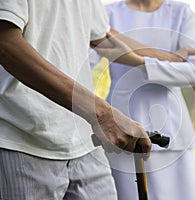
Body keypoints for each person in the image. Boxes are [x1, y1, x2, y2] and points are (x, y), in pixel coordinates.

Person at [0, 0, 152, 199]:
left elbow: (104, 40)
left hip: (84, 141)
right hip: (22, 139)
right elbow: (6, 43)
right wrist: (102, 114)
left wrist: (157, 61)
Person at [90, 0, 195, 199]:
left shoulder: (180, 12)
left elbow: (193, 72)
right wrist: (167, 59)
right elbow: (83, 63)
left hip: (173, 133)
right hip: (123, 131)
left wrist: (138, 61)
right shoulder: (107, 13)